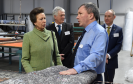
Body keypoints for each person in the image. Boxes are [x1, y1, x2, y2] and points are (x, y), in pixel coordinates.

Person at [59, 2, 108, 82]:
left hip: (92, 78)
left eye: (80, 14)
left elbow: (96, 56)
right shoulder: (87, 31)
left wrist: (76, 69)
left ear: (91, 15)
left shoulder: (99, 32)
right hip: (81, 75)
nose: (77, 17)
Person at [21, 7, 62, 73]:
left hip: (51, 73)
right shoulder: (28, 36)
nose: (44, 21)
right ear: (34, 22)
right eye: (41, 19)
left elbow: (57, 56)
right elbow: (24, 60)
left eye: (44, 18)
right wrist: (32, 74)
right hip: (36, 75)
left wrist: (61, 70)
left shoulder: (51, 34)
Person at [102, 9, 123, 83]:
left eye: (109, 16)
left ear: (114, 17)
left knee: (109, 81)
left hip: (111, 59)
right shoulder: (99, 29)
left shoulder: (118, 30)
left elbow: (118, 45)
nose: (106, 18)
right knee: (96, 79)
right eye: (105, 16)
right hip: (99, 58)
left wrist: (108, 55)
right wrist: (103, 55)